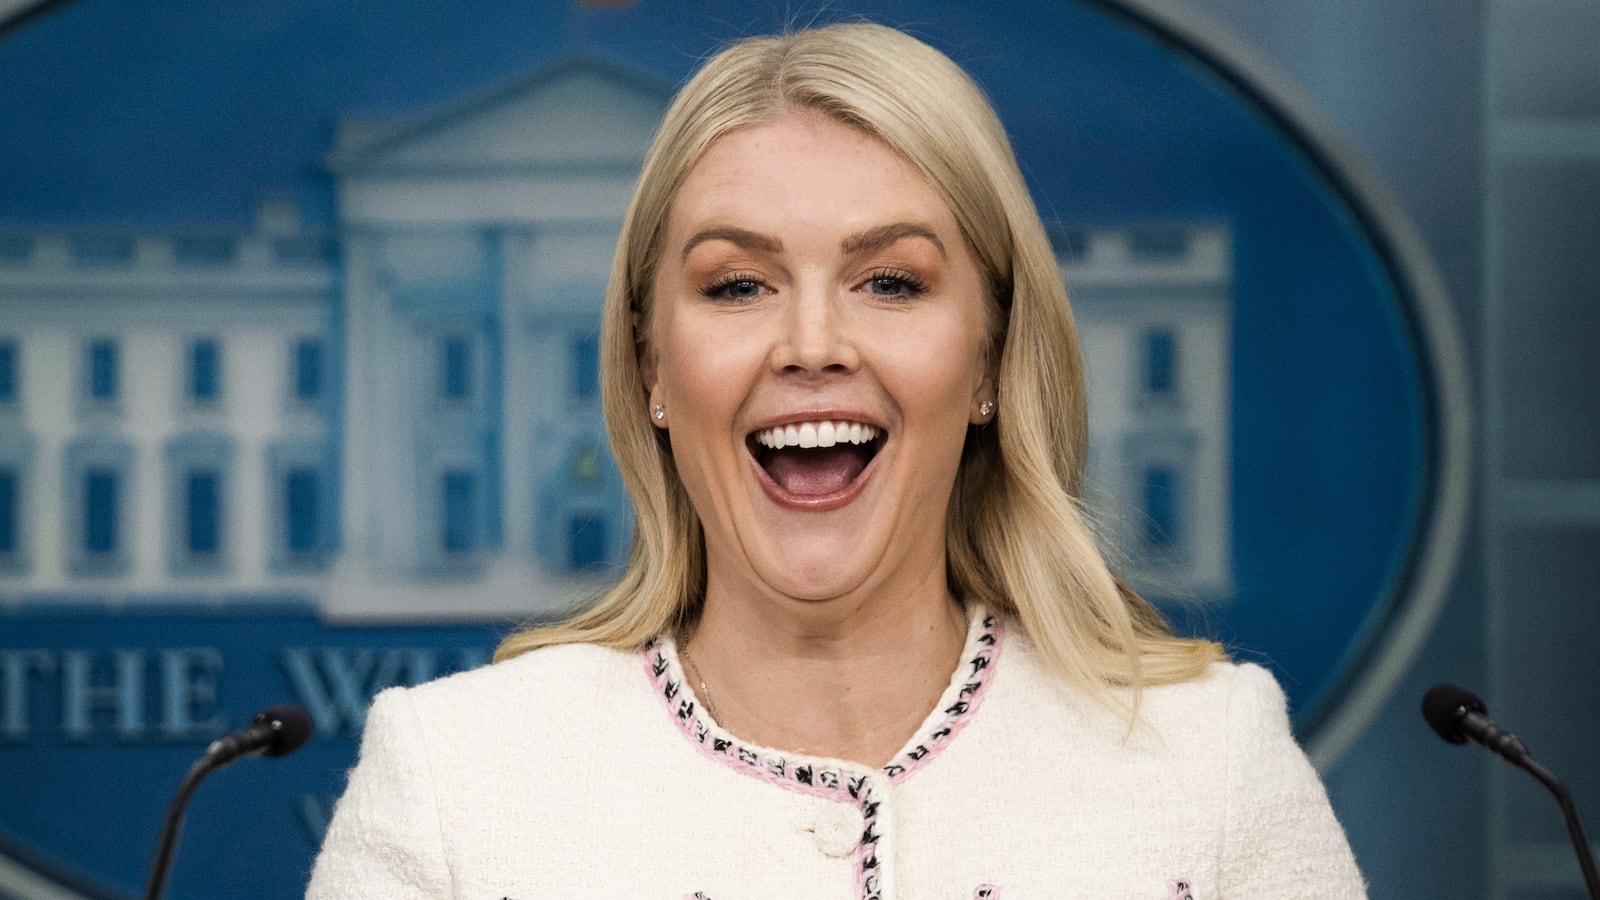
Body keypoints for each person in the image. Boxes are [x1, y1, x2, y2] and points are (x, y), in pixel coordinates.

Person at [307, 22, 1365, 899]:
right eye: (737, 286)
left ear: (989, 358)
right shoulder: (453, 777)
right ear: (651, 375)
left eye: (890, 282)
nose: (812, 344)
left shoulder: (1213, 761)